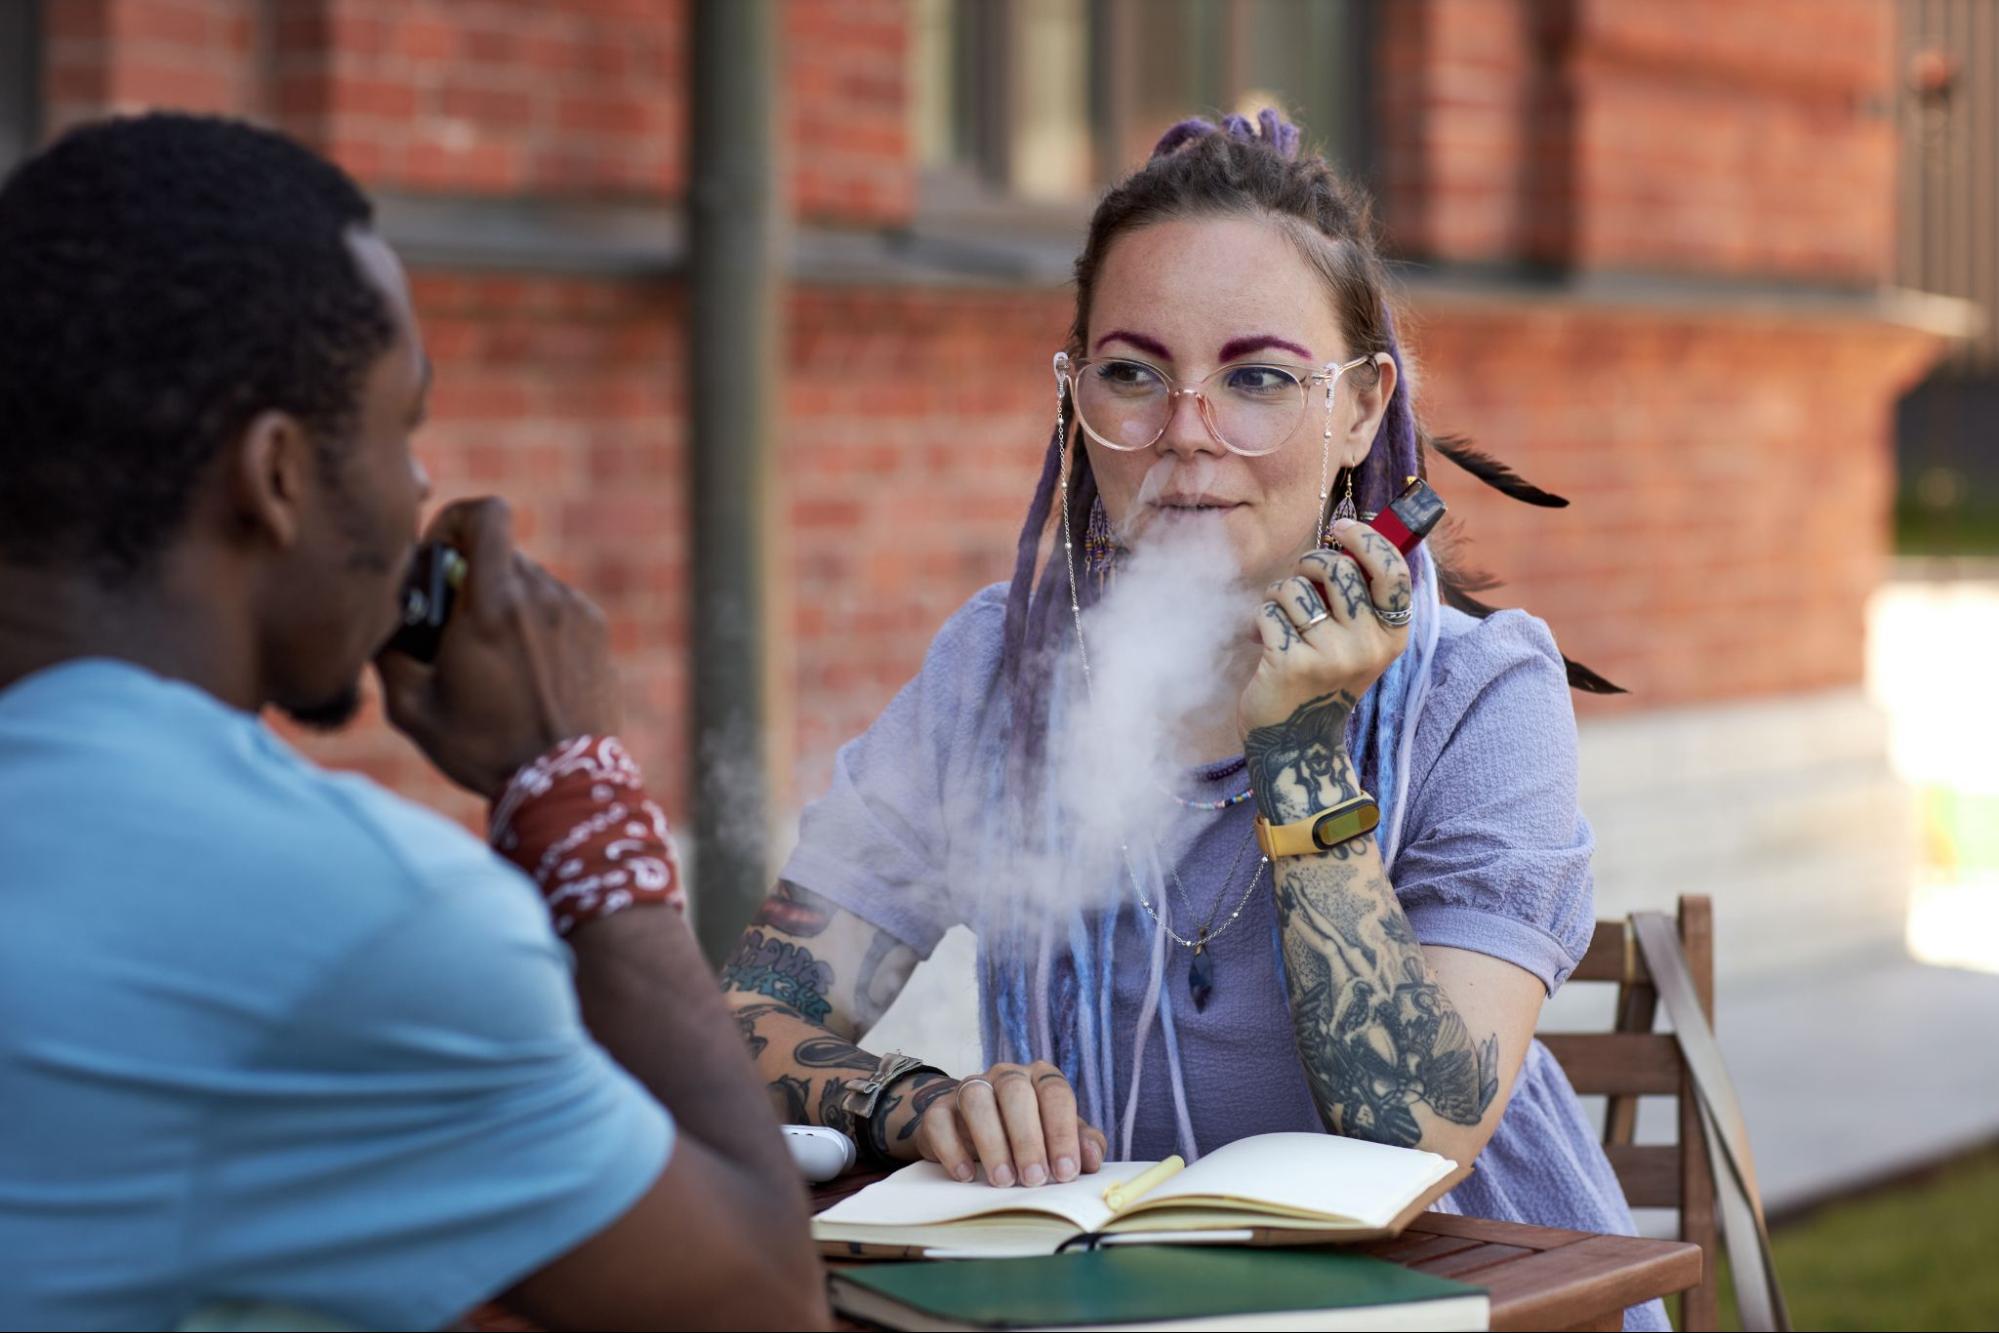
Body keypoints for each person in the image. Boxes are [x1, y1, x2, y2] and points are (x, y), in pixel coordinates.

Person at [720, 111, 1667, 1331]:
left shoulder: (1480, 693)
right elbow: (745, 1016)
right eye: (1132, 372)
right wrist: (908, 1100)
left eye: (1257, 378)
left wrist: (1295, 743)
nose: (1185, 433)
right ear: (1074, 397)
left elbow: (1414, 1132)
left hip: (1475, 1308)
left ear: (1364, 408)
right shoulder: (992, 676)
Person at [0, 113, 827, 1331]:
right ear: (276, 475)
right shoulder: (348, 916)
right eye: (403, 429)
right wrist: (575, 788)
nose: (420, 493)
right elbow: (756, 1301)